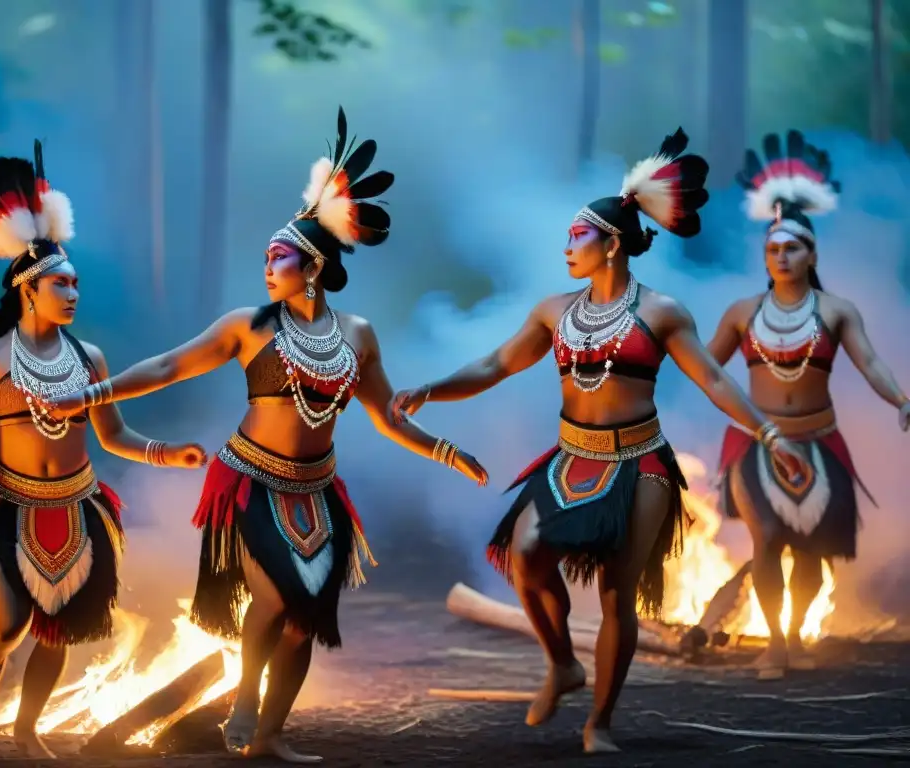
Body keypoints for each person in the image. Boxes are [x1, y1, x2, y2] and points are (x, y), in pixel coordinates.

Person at [44, 107, 489, 762]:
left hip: (319, 492)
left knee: (304, 621)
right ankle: (246, 697)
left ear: (311, 264)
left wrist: (446, 451)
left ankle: (273, 733)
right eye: (264, 257)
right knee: (277, 597)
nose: (266, 266)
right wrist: (92, 393)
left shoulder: (357, 335)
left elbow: (387, 413)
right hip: (249, 481)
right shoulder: (247, 325)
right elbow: (167, 366)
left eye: (276, 256)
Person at [389, 128, 803, 754]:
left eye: (577, 237)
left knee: (617, 591)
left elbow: (716, 379)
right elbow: (496, 364)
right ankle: (563, 663)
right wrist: (430, 388)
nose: (567, 248)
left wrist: (769, 432)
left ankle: (598, 724)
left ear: (611, 246)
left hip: (641, 465)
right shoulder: (555, 311)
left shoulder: (662, 312)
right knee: (526, 555)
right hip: (571, 460)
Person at [0, 142, 206, 758]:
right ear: (28, 288)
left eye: (77, 283)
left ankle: (29, 729)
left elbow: (113, 435)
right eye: (61, 282)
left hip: (80, 507)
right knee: (8, 623)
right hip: (8, 503)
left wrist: (168, 454)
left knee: (59, 632)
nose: (73, 292)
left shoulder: (92, 360)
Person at [706, 130, 909, 680]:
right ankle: (775, 643)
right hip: (756, 444)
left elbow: (870, 363)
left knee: (813, 554)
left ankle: (797, 633)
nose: (781, 257)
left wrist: (900, 398)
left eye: (792, 248)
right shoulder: (742, 312)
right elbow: (703, 365)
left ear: (812, 253)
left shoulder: (837, 311)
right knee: (768, 537)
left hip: (820, 443)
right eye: (772, 249)